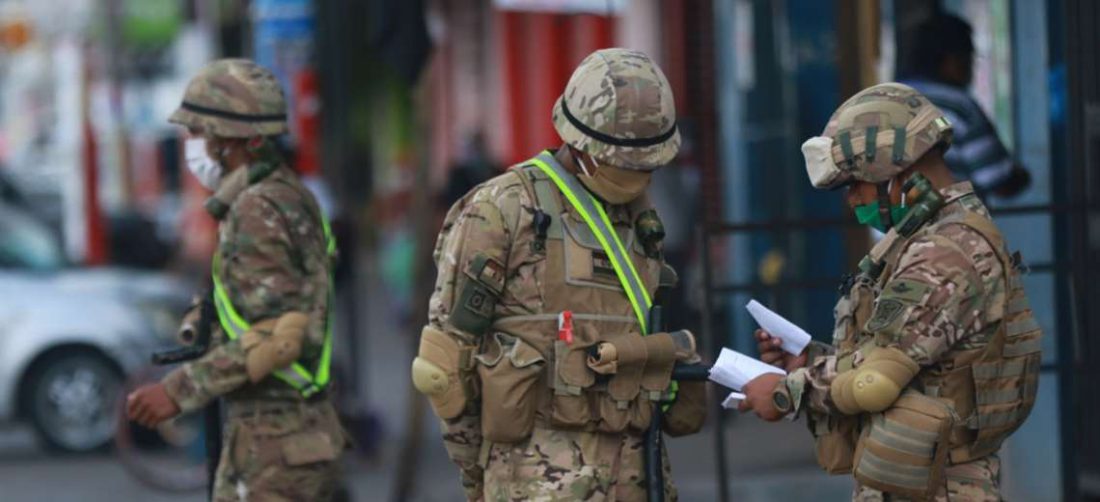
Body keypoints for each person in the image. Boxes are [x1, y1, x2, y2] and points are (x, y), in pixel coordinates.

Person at [412, 48, 707, 501]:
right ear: (578, 141)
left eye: (644, 166)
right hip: (535, 483)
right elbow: (446, 365)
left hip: (638, 477)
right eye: (622, 163)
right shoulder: (502, 210)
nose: (634, 177)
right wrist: (478, 479)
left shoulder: (640, 220)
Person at [739, 83, 1042, 501]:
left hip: (940, 485)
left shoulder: (943, 252)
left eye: (855, 184)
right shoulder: (933, 237)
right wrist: (810, 360)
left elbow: (873, 383)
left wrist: (785, 392)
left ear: (897, 174)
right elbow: (909, 359)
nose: (851, 201)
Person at [125, 59, 344, 501]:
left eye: (201, 133)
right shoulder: (283, 194)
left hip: (276, 443)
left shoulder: (257, 210)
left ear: (241, 141)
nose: (193, 145)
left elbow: (279, 334)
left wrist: (177, 391)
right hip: (287, 433)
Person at [901, 13, 1030, 198]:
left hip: (892, 226)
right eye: (970, 58)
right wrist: (1021, 176)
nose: (971, 69)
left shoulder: (889, 99)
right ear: (951, 60)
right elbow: (998, 181)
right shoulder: (958, 105)